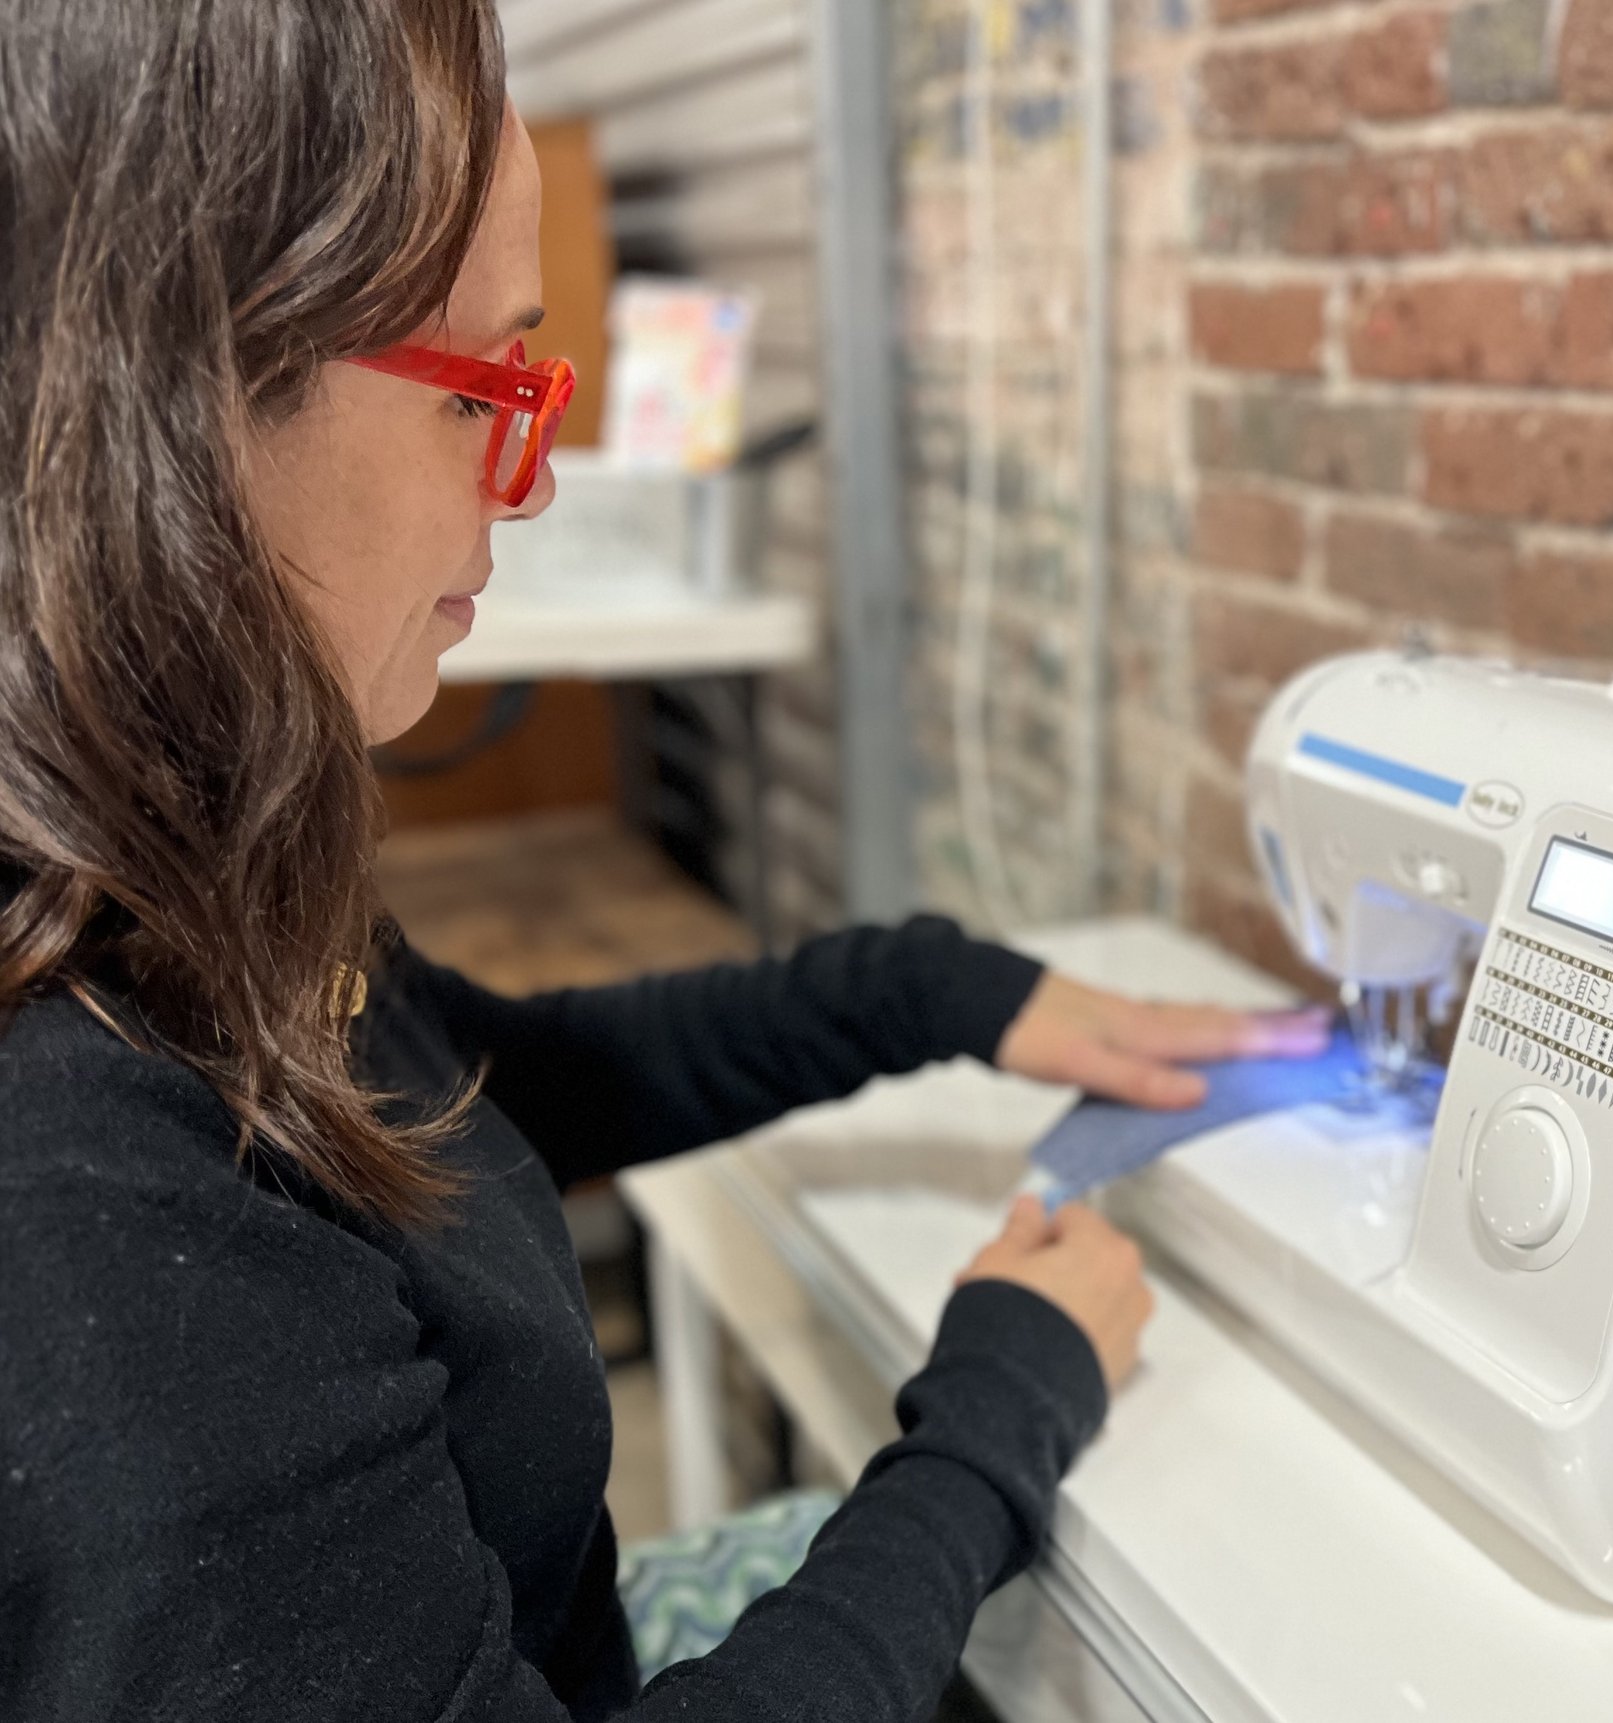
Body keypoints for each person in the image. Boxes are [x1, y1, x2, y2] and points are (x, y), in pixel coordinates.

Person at [0, 4, 1324, 1719]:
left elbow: (485, 1087)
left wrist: (938, 991)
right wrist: (998, 1410)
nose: (530, 485)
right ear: (165, 408)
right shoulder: (81, 1210)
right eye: (490, 389)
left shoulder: (174, 884)